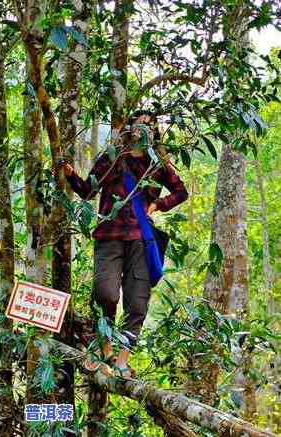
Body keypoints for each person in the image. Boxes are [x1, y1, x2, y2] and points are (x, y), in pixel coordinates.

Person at [60, 110, 188, 378]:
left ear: (155, 134)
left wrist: (158, 204)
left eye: (151, 126)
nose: (145, 130)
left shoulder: (158, 164)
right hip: (109, 236)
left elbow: (180, 191)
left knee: (137, 303)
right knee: (105, 293)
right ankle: (104, 349)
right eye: (140, 124)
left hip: (141, 239)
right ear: (129, 128)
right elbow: (87, 190)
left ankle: (121, 359)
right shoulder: (112, 158)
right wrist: (70, 175)